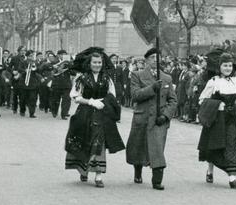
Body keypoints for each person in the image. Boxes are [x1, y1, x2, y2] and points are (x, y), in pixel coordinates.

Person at [64, 48, 125, 188]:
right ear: (89, 63)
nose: (97, 64)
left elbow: (112, 95)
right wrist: (91, 101)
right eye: (94, 62)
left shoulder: (107, 78)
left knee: (99, 142)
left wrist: (104, 102)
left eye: (99, 62)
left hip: (102, 113)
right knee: (84, 140)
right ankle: (83, 170)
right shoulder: (82, 78)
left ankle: (98, 175)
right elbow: (75, 96)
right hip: (85, 112)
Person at [126, 48, 177, 190]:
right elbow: (135, 95)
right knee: (138, 147)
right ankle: (138, 171)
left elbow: (173, 100)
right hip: (142, 117)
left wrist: (166, 116)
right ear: (146, 60)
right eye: (153, 57)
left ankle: (157, 180)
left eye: (158, 57)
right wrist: (152, 88)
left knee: (157, 149)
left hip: (159, 120)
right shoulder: (137, 75)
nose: (156, 59)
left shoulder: (167, 78)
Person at [197, 52, 236, 188]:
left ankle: (232, 178)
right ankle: (210, 170)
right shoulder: (213, 82)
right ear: (219, 67)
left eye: (230, 65)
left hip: (232, 119)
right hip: (217, 119)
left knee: (231, 147)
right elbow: (202, 100)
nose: (228, 68)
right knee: (216, 146)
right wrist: (217, 104)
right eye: (225, 65)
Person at [14, 50, 41, 118]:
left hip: (32, 83)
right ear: (27, 56)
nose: (31, 57)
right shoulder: (23, 62)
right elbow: (19, 69)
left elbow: (39, 70)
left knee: (33, 98)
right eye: (30, 56)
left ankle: (32, 113)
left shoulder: (35, 62)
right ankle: (22, 110)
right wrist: (25, 70)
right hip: (24, 83)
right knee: (23, 98)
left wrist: (35, 66)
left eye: (32, 56)